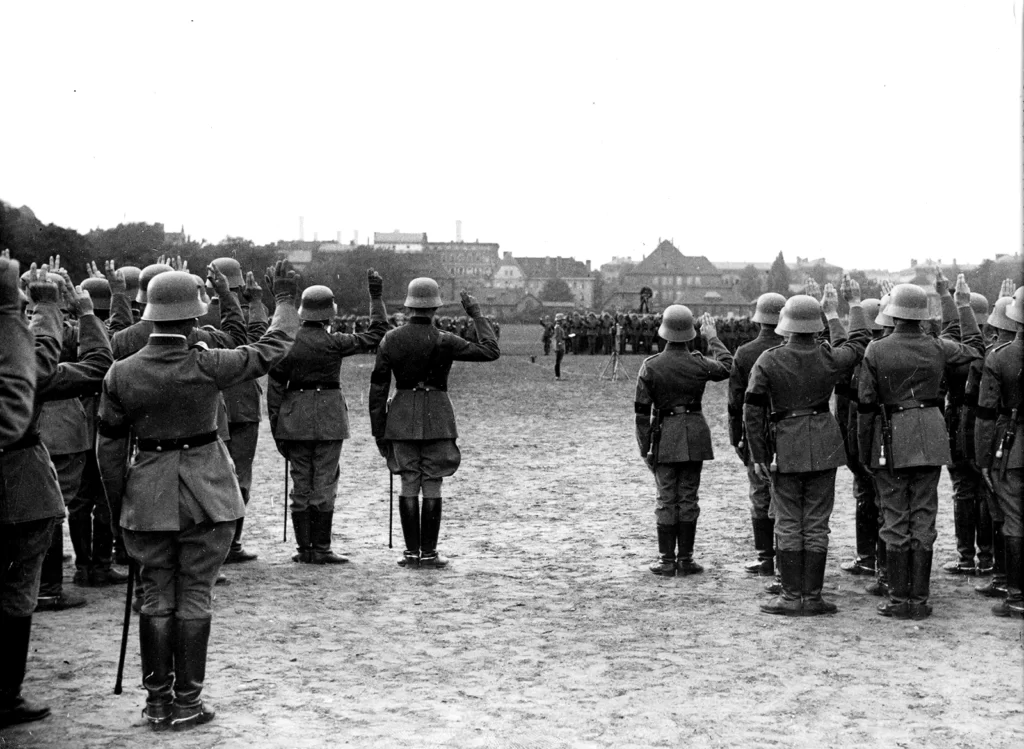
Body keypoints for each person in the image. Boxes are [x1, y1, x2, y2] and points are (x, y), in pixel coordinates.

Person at [96, 262, 300, 731]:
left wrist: (119, 506)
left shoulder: (120, 374)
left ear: (149, 316)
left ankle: (156, 702)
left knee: (155, 596)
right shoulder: (208, 363)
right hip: (207, 496)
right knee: (195, 596)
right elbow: (270, 349)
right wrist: (285, 301)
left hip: (146, 497)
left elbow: (108, 452)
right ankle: (188, 702)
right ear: (192, 318)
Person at [857, 277, 984, 620]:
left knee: (896, 515)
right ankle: (920, 599)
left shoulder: (876, 349)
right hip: (930, 433)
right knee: (924, 513)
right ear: (923, 316)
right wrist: (962, 304)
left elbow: (866, 405)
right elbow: (976, 348)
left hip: (890, 437)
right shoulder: (938, 346)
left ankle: (901, 600)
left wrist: (865, 451)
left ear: (894, 315)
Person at [744, 282, 870, 616]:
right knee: (816, 522)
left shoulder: (768, 360)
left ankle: (790, 596)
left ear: (784, 324)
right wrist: (839, 310)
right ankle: (812, 596)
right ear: (815, 326)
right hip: (825, 443)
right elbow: (857, 343)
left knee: (787, 520)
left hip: (785, 443)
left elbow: (752, 410)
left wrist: (757, 454)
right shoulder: (828, 356)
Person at [369, 279, 499, 568]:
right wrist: (475, 313)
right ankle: (429, 552)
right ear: (435, 307)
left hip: (401, 417)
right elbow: (490, 350)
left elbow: (377, 389)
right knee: (433, 484)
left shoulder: (390, 339)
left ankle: (411, 553)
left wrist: (380, 431)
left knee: (407, 481)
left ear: (409, 305)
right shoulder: (445, 338)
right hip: (438, 417)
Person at [268, 271, 387, 564]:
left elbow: (274, 388)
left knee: (301, 482)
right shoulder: (336, 341)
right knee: (324, 482)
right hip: (329, 417)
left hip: (293, 418)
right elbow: (377, 333)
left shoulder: (287, 342)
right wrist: (375, 297)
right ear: (329, 313)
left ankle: (303, 549)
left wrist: (277, 427)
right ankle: (320, 549)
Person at [0, 258, 62, 728]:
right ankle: (5, 695)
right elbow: (39, 360)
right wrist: (45, 308)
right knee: (19, 593)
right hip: (19, 485)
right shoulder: (15, 349)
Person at [635, 306, 732, 577]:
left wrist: (644, 447)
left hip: (664, 435)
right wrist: (712, 337)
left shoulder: (651, 365)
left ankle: (666, 560)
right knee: (688, 497)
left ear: (664, 332)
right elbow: (728, 366)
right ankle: (686, 559)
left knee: (666, 498)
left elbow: (641, 413)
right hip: (694, 434)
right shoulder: (699, 362)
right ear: (691, 333)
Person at [211, 259, 269, 565]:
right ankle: (232, 544)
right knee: (240, 476)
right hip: (243, 404)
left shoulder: (198, 310)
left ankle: (214, 545)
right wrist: (257, 302)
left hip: (210, 404)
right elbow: (262, 340)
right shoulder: (248, 314)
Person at [728, 292, 786, 578]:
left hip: (756, 431)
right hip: (789, 431)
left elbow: (735, 403)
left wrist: (736, 438)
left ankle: (765, 559)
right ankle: (783, 559)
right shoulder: (792, 348)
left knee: (760, 494)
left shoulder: (745, 352)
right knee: (786, 496)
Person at [975, 286, 1024, 618]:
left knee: (1014, 520)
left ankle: (1017, 595)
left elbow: (986, 415)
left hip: (1012, 449)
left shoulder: (1001, 356)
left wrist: (982, 460)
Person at [553, 313, 566, 380]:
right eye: (563, 320)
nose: (564, 321)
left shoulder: (559, 327)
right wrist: (560, 342)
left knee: (559, 361)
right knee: (558, 361)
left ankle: (558, 376)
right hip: (559, 346)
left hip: (560, 345)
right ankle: (557, 376)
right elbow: (557, 337)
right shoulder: (557, 327)